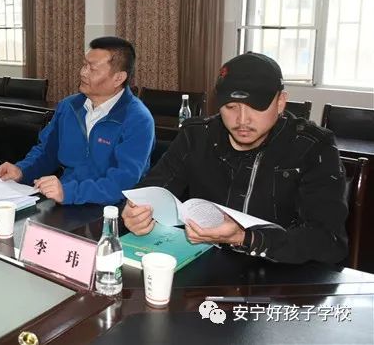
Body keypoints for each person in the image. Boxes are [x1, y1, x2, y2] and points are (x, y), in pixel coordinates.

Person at [121, 52, 348, 264]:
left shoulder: (313, 146)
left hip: (282, 273)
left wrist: (245, 238)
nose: (242, 120)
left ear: (280, 102)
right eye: (230, 106)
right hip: (206, 265)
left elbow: (329, 241)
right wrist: (135, 214)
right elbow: (149, 192)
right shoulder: (197, 136)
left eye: (256, 107)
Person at [0, 36, 154, 205]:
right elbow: (47, 151)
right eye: (84, 65)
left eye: (92, 69)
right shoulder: (69, 106)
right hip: (66, 200)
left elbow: (123, 182)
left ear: (118, 78)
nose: (83, 72)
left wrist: (68, 192)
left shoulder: (138, 120)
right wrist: (22, 170)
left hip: (112, 208)